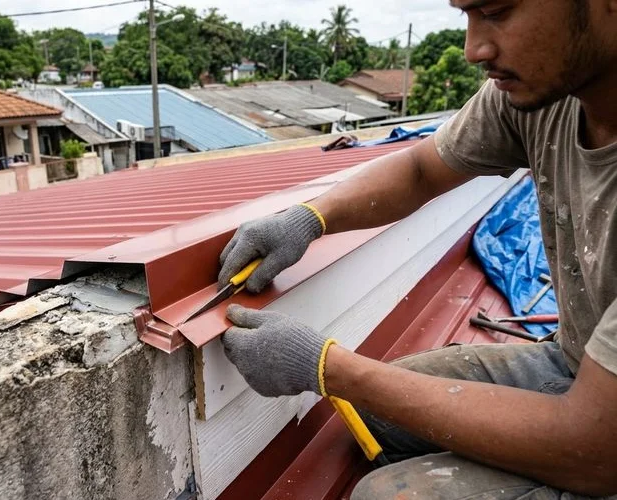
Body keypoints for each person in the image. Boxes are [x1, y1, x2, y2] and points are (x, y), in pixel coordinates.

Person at [217, 1, 617, 498]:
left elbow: (597, 450)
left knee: (381, 495)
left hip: (604, 444)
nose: (474, 49)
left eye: (496, 11)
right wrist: (308, 220)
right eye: (467, 15)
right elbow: (421, 170)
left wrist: (326, 367)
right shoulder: (547, 94)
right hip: (579, 365)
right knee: (373, 409)